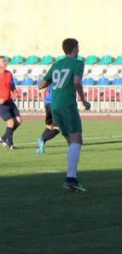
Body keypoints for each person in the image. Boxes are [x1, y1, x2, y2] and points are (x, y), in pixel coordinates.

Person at [38, 38, 91, 192]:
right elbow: (77, 82)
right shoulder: (78, 63)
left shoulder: (56, 64)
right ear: (74, 49)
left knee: (71, 141)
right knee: (77, 140)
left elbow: (41, 84)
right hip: (68, 105)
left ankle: (72, 177)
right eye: (78, 48)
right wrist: (84, 101)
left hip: (55, 106)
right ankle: (70, 178)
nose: (78, 50)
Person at [0, 55, 22, 149]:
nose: (6, 62)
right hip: (1, 104)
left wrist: (14, 90)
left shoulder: (9, 73)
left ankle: (3, 138)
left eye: (5, 61)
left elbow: (11, 84)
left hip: (9, 101)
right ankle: (10, 143)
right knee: (11, 122)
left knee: (19, 121)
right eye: (3, 61)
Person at [36, 89, 60, 154]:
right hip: (56, 104)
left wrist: (45, 101)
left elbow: (42, 90)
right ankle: (42, 139)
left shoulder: (51, 81)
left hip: (47, 103)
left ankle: (41, 149)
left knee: (49, 126)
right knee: (57, 128)